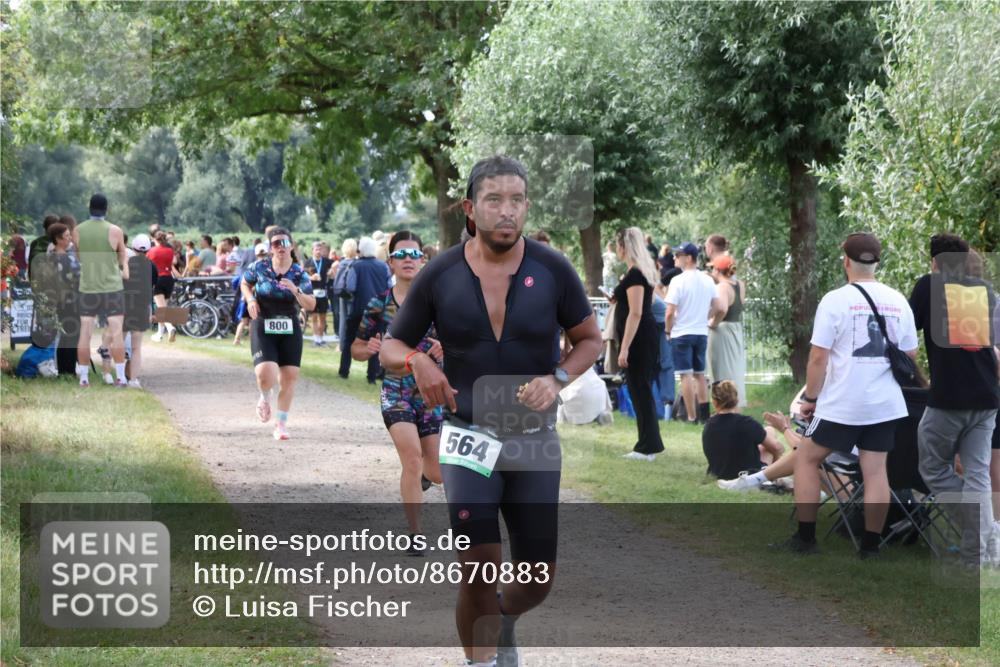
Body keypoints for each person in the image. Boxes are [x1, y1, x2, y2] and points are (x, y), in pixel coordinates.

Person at [381, 155, 602, 667]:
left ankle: (503, 620)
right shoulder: (440, 273)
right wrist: (417, 361)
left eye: (517, 200)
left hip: (532, 439)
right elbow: (392, 346)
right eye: (495, 200)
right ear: (471, 209)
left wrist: (558, 377)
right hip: (466, 436)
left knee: (537, 579)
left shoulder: (553, 268)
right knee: (477, 568)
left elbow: (589, 339)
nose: (508, 211)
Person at [776, 232, 918, 559]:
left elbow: (817, 357)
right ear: (877, 262)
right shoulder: (898, 300)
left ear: (846, 262)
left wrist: (811, 397)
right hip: (884, 403)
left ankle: (806, 538)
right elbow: (909, 355)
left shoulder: (836, 300)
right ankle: (870, 546)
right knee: (875, 469)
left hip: (842, 402)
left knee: (807, 458)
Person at [351, 231, 445, 551]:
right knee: (412, 458)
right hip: (396, 390)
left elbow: (464, 342)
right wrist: (369, 348)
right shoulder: (378, 303)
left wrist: (446, 347)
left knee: (438, 472)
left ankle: (425, 479)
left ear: (423, 261)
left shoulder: (440, 303)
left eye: (414, 254)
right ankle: (415, 535)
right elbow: (357, 348)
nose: (408, 259)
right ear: (390, 262)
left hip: (430, 394)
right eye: (401, 254)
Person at [909, 233, 999, 566]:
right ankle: (981, 553)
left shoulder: (928, 286)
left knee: (932, 467)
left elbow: (908, 334)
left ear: (934, 261)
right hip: (987, 394)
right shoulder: (982, 291)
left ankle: (983, 537)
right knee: (978, 474)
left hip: (949, 396)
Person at [241, 228, 316, 440]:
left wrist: (296, 290)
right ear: (270, 248)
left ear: (291, 246)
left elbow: (311, 304)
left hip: (290, 325)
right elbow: (245, 283)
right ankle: (265, 396)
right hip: (263, 323)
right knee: (266, 375)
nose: (281, 247)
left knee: (289, 377)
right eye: (276, 244)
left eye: (284, 243)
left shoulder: (300, 274)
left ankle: (281, 425)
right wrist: (251, 299)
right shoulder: (259, 267)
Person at [611, 227, 664, 461]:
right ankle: (647, 443)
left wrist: (624, 348)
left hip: (638, 339)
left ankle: (648, 446)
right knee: (640, 390)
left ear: (625, 246)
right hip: (643, 336)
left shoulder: (635, 275)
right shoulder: (638, 272)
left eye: (618, 245)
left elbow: (636, 312)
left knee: (640, 391)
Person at [73, 194, 129, 387]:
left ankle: (84, 378)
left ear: (89, 208)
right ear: (106, 209)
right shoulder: (115, 230)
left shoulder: (77, 230)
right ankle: (121, 377)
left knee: (85, 333)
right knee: (117, 332)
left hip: (88, 286)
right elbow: (122, 257)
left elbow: (79, 257)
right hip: (112, 286)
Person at [665, 241, 721, 423]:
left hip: (682, 333)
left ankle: (691, 416)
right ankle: (704, 416)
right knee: (699, 374)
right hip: (700, 332)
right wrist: (705, 317)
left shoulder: (677, 281)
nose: (674, 258)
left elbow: (670, 312)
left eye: (678, 255)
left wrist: (667, 330)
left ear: (688, 258)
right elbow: (719, 306)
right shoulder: (707, 279)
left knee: (685, 375)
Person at [702, 380, 784, 480]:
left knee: (765, 436)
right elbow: (776, 448)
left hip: (719, 475)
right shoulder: (747, 423)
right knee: (770, 431)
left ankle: (772, 476)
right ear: (736, 400)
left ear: (714, 402)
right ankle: (773, 477)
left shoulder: (708, 425)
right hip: (749, 476)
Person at [338, 236, 390, 383]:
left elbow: (350, 287)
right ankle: (372, 376)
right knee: (375, 342)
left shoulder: (356, 265)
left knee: (350, 340)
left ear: (360, 250)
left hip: (358, 309)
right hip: (378, 311)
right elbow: (389, 287)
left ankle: (344, 371)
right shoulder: (383, 266)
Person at [707, 254, 747, 407]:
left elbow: (722, 308)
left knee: (721, 369)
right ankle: (736, 401)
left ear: (717, 270)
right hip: (735, 328)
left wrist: (713, 323)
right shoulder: (740, 285)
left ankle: (725, 404)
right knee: (734, 367)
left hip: (723, 331)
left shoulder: (722, 287)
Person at [46, 222, 81, 375]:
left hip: (58, 301)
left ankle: (63, 370)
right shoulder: (66, 259)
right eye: (67, 236)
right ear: (58, 239)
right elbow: (77, 278)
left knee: (64, 336)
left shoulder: (50, 257)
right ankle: (69, 370)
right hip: (71, 301)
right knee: (72, 336)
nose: (70, 239)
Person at [122, 234, 155, 388]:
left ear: (133, 248)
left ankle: (120, 376)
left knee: (119, 343)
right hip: (141, 307)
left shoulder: (127, 263)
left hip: (125, 306)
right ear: (149, 249)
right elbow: (152, 287)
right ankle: (133, 380)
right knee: (136, 347)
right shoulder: (152, 266)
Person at [233, 243, 269, 346]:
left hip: (247, 298)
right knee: (253, 320)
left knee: (245, 321)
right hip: (254, 298)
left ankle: (239, 339)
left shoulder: (251, 266)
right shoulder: (266, 267)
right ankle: (250, 340)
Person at [147, 232, 180, 343]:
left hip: (158, 279)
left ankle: (170, 327)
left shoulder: (152, 251)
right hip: (169, 279)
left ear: (155, 240)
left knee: (161, 309)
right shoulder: (170, 251)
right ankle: (160, 334)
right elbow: (174, 262)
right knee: (163, 308)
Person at [303, 241, 334, 347]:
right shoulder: (308, 262)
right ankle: (316, 339)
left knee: (323, 317)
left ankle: (321, 339)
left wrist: (331, 271)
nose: (319, 251)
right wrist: (311, 278)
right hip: (312, 293)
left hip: (323, 293)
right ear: (312, 250)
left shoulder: (326, 261)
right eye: (316, 249)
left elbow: (337, 263)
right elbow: (303, 277)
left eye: (320, 249)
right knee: (314, 317)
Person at [333, 238, 359, 354]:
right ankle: (352, 345)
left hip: (342, 293)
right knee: (354, 320)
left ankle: (342, 345)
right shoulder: (357, 264)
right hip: (353, 293)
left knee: (343, 320)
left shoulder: (341, 263)